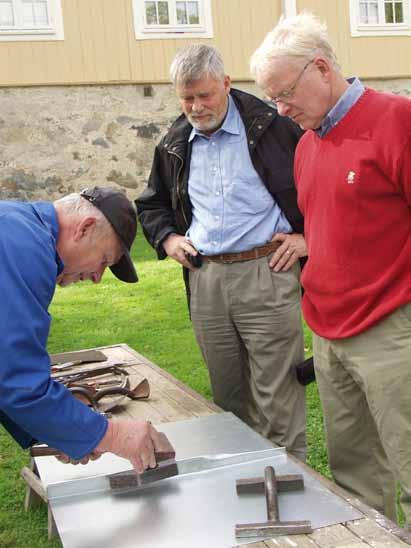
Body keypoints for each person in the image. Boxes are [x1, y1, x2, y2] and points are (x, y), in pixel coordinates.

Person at [250, 12, 411, 525]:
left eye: (284, 94)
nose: (280, 108)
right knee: (354, 473)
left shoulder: (396, 120)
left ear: (321, 68)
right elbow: (332, 223)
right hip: (328, 332)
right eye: (272, 97)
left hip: (390, 329)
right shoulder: (305, 144)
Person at [137, 44, 308, 460]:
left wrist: (308, 239)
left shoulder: (273, 127)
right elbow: (151, 203)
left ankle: (293, 490)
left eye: (205, 95)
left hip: (267, 270)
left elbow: (321, 189)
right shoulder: (175, 140)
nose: (196, 106)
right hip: (206, 279)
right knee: (227, 397)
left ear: (227, 84)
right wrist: (170, 240)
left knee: (278, 395)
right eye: (186, 97)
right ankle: (239, 487)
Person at [0, 186, 174, 472]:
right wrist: (112, 435)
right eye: (104, 260)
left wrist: (66, 432)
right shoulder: (25, 248)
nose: (96, 277)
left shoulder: (19, 228)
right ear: (85, 227)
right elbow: (15, 377)